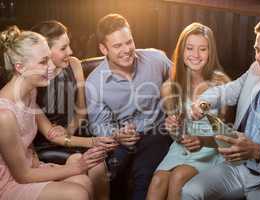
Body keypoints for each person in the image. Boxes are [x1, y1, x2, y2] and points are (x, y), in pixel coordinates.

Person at [181, 16, 260, 200]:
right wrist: (203, 103)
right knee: (190, 191)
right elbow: (226, 91)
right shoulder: (255, 70)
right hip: (237, 168)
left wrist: (257, 151)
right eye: (257, 50)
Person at [0, 26, 106, 200]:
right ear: (20, 67)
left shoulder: (30, 92)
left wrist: (94, 142)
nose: (51, 67)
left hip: (31, 167)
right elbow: (22, 175)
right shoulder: (4, 114)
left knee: (84, 182)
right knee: (77, 193)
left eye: (49, 59)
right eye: (43, 62)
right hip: (9, 182)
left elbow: (43, 135)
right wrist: (78, 166)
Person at [85, 13, 173, 200]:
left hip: (156, 132)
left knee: (144, 178)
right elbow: (99, 125)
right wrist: (118, 135)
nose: (126, 50)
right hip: (121, 138)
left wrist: (175, 107)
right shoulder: (94, 83)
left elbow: (181, 78)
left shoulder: (156, 59)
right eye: (117, 45)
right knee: (110, 174)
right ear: (103, 48)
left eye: (129, 42)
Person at [31, 21, 117, 200]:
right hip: (48, 144)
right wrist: (95, 142)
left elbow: (81, 110)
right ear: (46, 51)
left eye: (69, 45)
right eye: (63, 48)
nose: (70, 52)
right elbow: (51, 135)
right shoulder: (34, 81)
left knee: (98, 167)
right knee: (94, 165)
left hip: (74, 133)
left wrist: (70, 129)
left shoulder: (74, 65)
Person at [146, 23, 230, 200]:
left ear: (210, 52)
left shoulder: (221, 83)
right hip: (181, 149)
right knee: (158, 181)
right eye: (190, 48)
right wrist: (173, 129)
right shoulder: (169, 88)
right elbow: (178, 137)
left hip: (211, 149)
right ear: (182, 51)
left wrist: (202, 141)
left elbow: (225, 135)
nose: (196, 55)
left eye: (202, 49)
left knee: (178, 177)